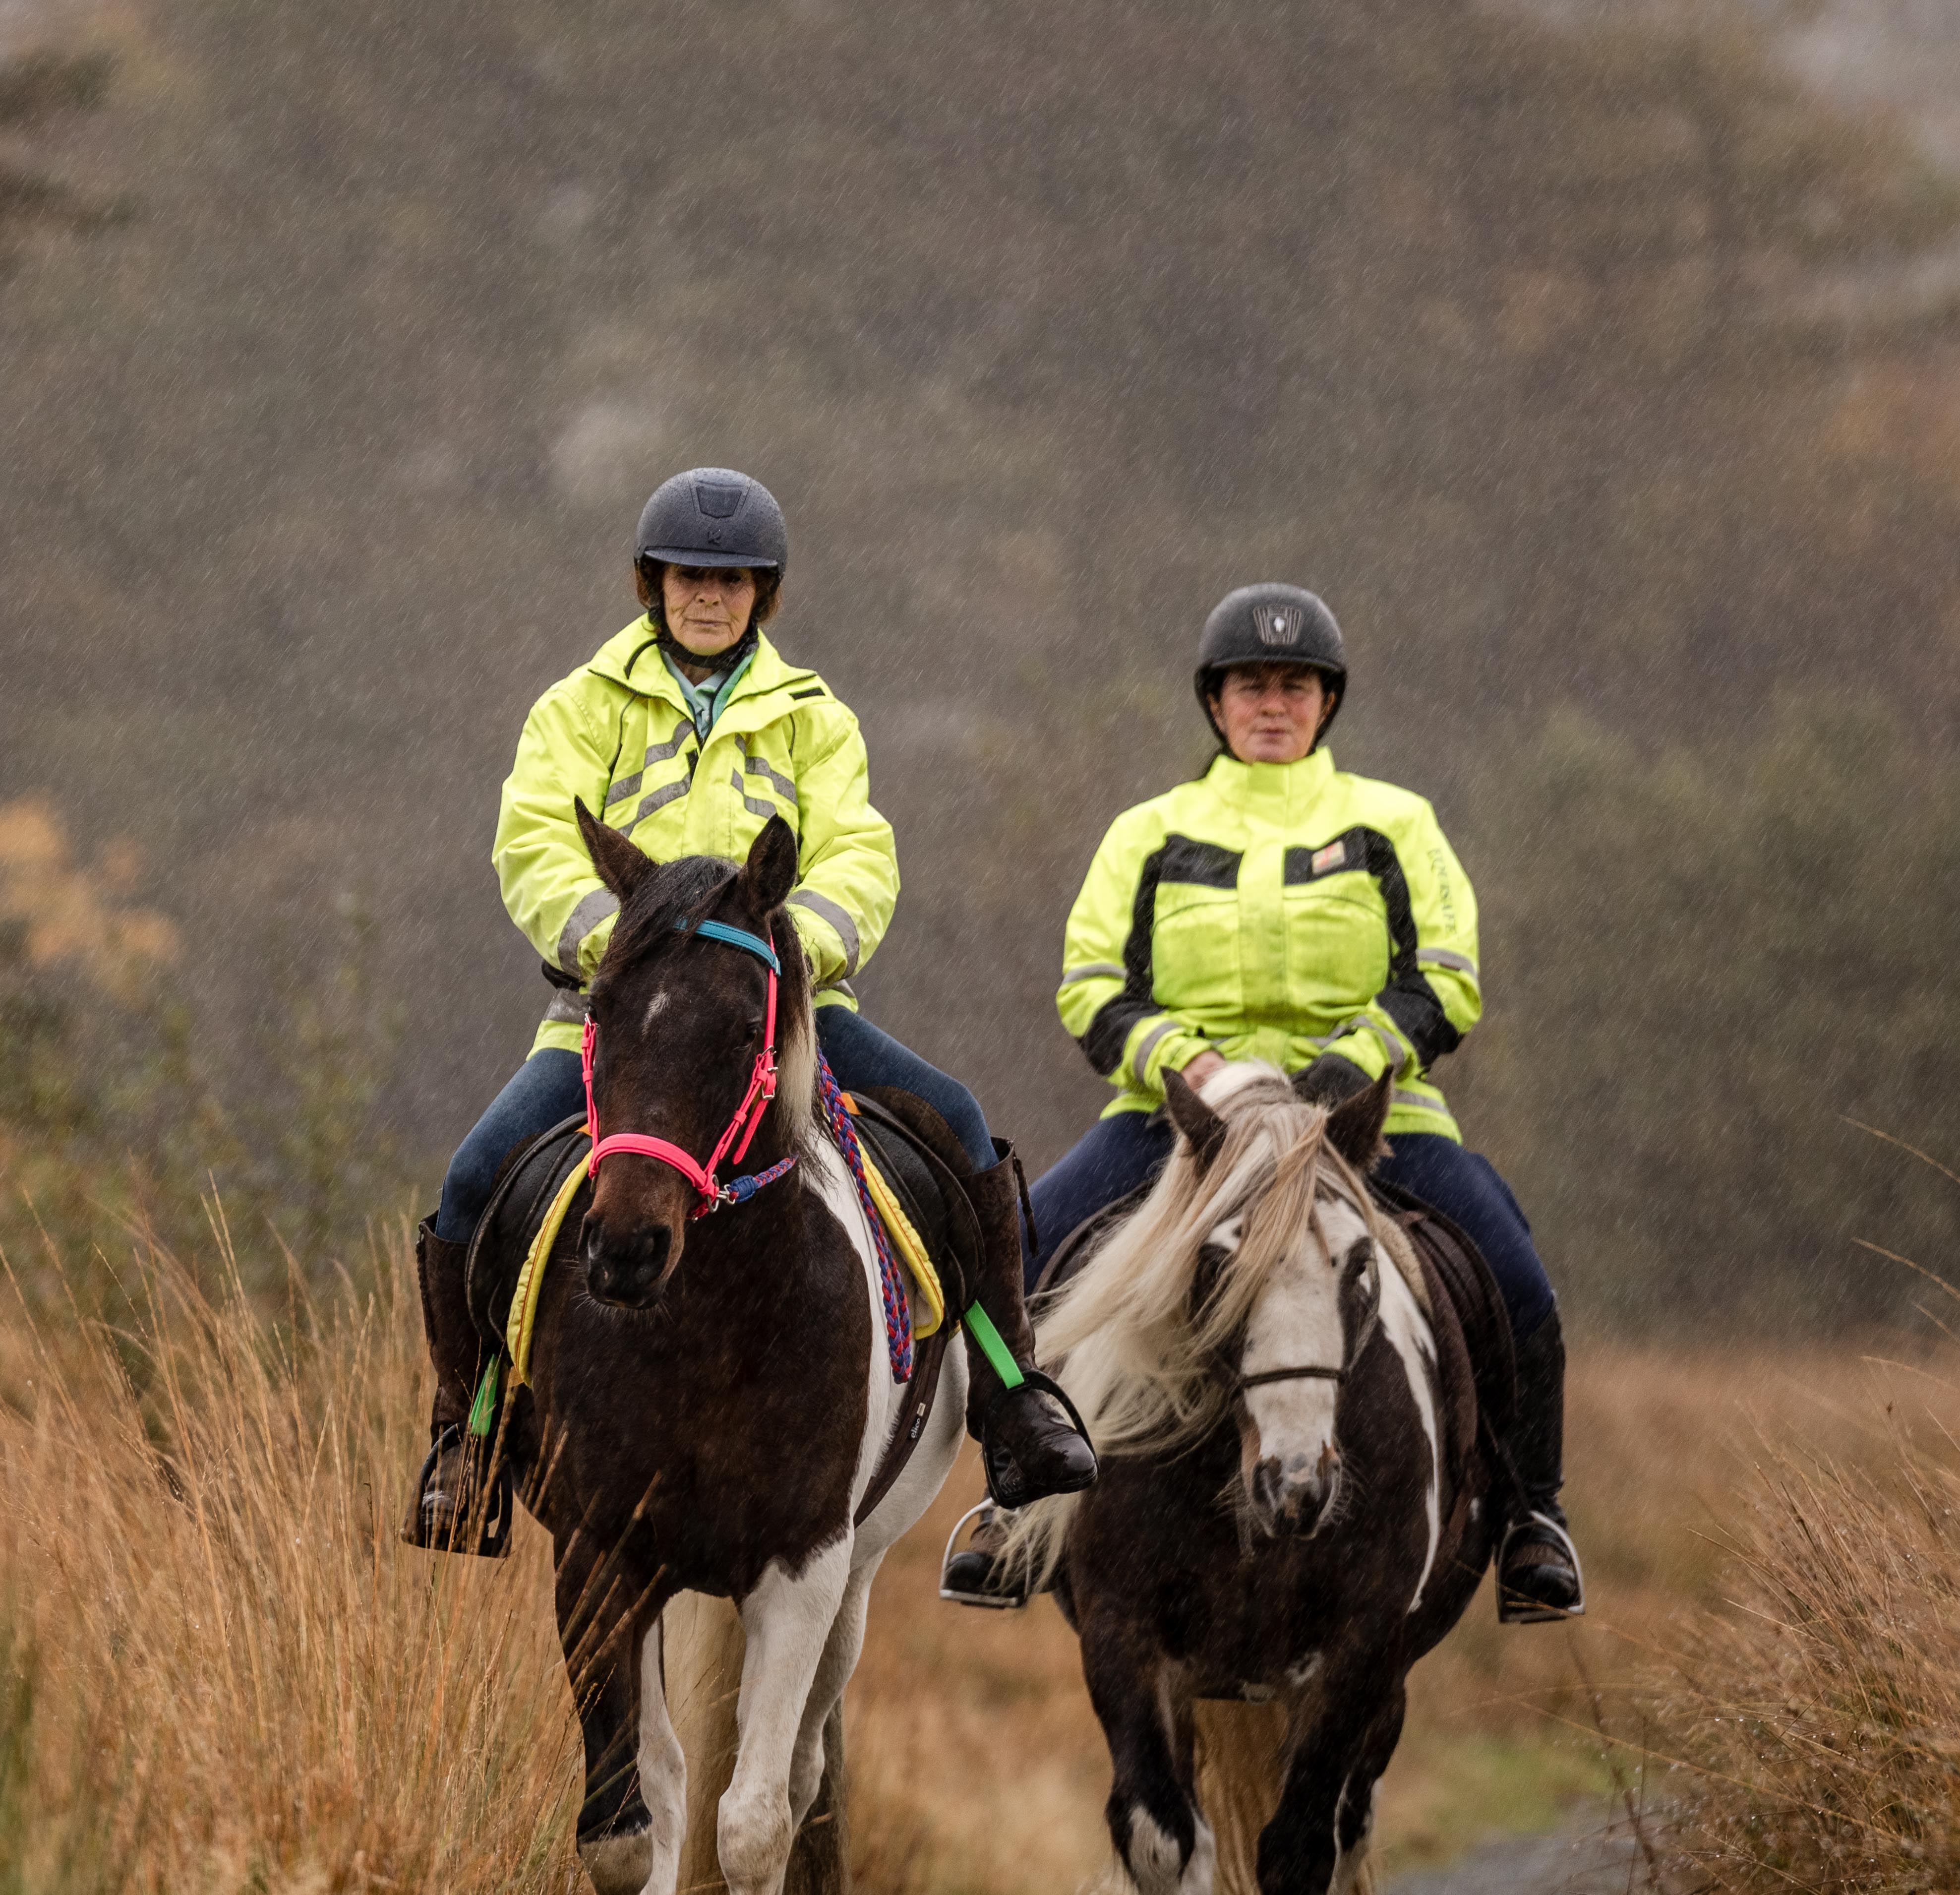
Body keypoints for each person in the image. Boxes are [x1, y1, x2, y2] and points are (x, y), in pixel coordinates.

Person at [401, 468, 1101, 1552]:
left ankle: (1015, 1400)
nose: (708, 596)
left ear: (762, 594)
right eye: (689, 576)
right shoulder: (578, 707)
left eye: (731, 581)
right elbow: (533, 843)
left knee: (960, 1125)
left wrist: (789, 957)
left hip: (784, 1014)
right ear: (652, 583)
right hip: (621, 1021)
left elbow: (859, 856)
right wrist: (619, 948)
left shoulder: (816, 719)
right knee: (473, 1180)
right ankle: (470, 1437)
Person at [959, 582, 1582, 1623]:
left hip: (1372, 1125)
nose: (1274, 704)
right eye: (1252, 686)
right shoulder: (1149, 832)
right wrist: (1194, 1069)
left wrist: (1349, 1071)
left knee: (1518, 1285)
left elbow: (1446, 975)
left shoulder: (1394, 823)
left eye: (1296, 686)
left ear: (1327, 702)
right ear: (1216, 703)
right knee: (1014, 1261)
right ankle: (1011, 1500)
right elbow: (1093, 987)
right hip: (1183, 1125)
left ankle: (1534, 1520)